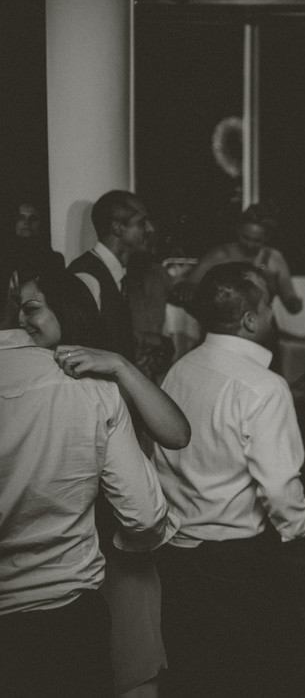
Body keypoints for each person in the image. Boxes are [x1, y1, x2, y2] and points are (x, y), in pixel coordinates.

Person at [0, 260, 178, 698]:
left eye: (34, 308)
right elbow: (144, 516)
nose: (24, 319)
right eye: (19, 308)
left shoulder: (99, 377)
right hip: (68, 599)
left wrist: (119, 366)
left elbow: (176, 433)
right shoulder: (93, 393)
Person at [153, 261, 305, 696]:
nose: (273, 314)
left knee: (190, 665)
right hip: (234, 560)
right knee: (242, 671)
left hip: (175, 550)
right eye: (269, 306)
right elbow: (279, 487)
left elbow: (162, 459)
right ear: (250, 319)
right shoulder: (264, 388)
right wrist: (301, 526)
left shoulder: (179, 370)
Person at [70, 190, 155, 361]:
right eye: (142, 222)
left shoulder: (120, 275)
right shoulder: (86, 278)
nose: (150, 229)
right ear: (117, 227)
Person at [188, 202, 303, 315]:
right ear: (238, 230)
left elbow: (288, 295)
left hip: (262, 324)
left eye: (257, 240)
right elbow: (190, 286)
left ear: (267, 237)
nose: (250, 245)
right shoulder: (220, 254)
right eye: (246, 237)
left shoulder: (273, 257)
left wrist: (294, 303)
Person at [6, 200, 64, 275]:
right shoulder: (4, 256)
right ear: (14, 223)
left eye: (33, 218)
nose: (27, 222)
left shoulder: (53, 259)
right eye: (21, 218)